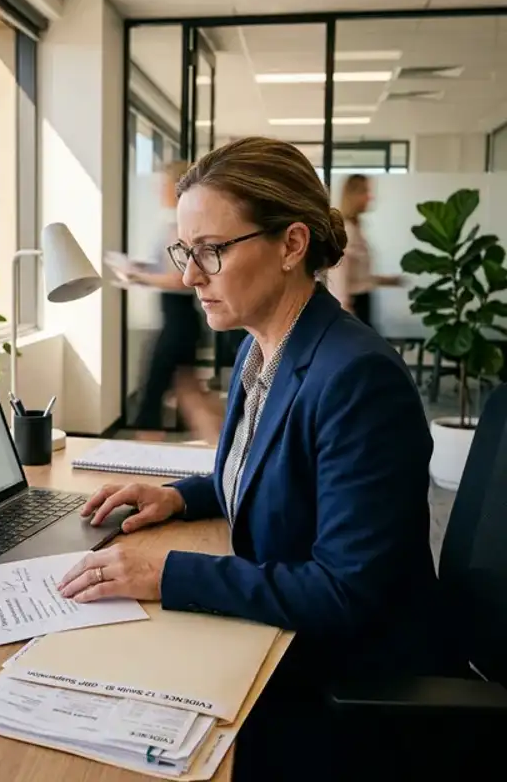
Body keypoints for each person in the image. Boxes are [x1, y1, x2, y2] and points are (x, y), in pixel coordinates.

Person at [57, 138, 460, 776]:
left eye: (211, 251)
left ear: (292, 246)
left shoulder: (356, 377)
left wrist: (168, 574)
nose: (191, 277)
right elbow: (271, 470)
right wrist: (182, 495)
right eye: (185, 252)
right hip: (282, 640)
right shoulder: (260, 348)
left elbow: (344, 591)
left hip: (339, 680)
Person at [122, 161, 220, 443]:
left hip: (178, 321)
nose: (158, 189)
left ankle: (147, 466)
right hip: (179, 320)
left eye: (163, 183)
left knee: (151, 400)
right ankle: (226, 452)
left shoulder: (183, 227)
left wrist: (140, 277)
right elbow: (169, 268)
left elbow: (182, 280)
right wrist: (141, 270)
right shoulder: (174, 223)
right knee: (190, 394)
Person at [326, 173, 401, 327]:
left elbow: (357, 273)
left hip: (362, 300)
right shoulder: (347, 230)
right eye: (365, 192)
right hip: (353, 304)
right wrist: (345, 311)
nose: (370, 197)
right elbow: (338, 270)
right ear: (352, 196)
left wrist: (384, 280)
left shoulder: (356, 228)